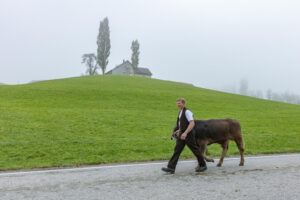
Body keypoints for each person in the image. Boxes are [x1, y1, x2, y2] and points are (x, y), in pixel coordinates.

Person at [161, 98, 207, 174]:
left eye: (179, 103)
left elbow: (192, 123)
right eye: (177, 103)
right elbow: (183, 124)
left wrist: (185, 133)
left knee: (195, 150)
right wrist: (179, 130)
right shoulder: (180, 112)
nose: (178, 104)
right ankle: (171, 167)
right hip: (182, 134)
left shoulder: (187, 112)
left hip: (188, 135)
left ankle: (203, 165)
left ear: (183, 103)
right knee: (177, 150)